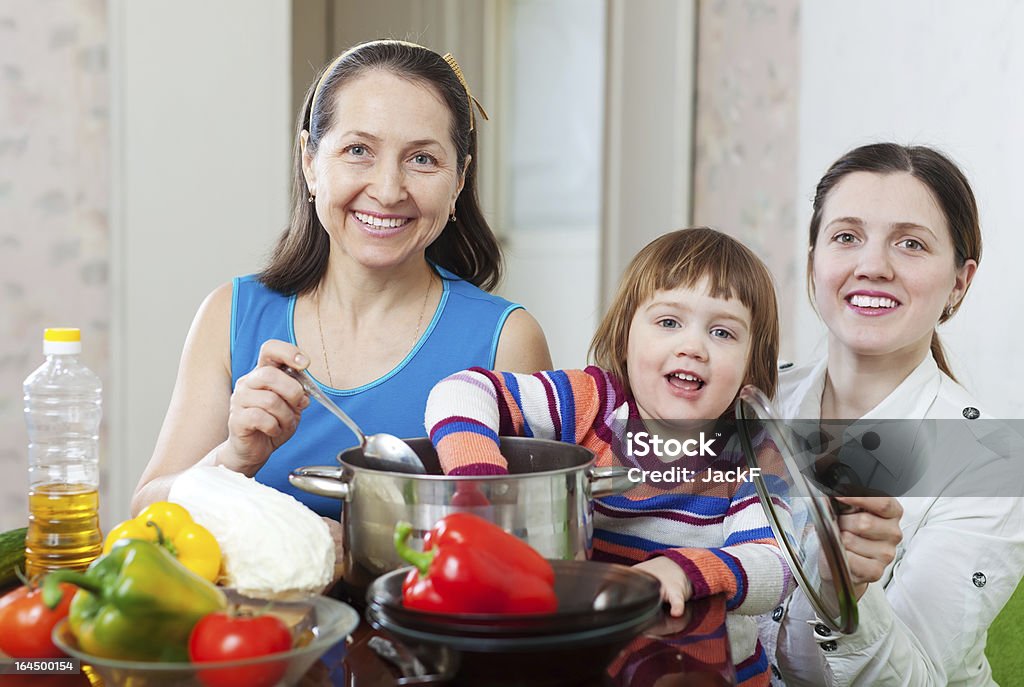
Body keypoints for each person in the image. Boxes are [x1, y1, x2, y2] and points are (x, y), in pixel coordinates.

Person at [131, 40, 552, 521]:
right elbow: (145, 510)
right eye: (358, 150)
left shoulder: (507, 341)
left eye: (422, 160)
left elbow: (532, 535)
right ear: (310, 161)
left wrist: (357, 553)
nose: (388, 190)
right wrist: (233, 458)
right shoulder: (231, 313)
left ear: (458, 180)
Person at [426, 228, 794, 685]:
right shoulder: (591, 403)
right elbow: (461, 389)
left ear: (751, 368)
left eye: (721, 332)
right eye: (668, 322)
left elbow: (775, 566)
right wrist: (481, 480)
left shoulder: (753, 452)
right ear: (624, 338)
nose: (693, 347)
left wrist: (685, 570)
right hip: (587, 658)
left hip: (703, 668)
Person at [766, 143, 1024, 686]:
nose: (873, 266)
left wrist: (848, 595)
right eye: (846, 237)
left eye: (910, 244)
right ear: (814, 260)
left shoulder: (994, 460)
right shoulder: (747, 405)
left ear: (960, 280)